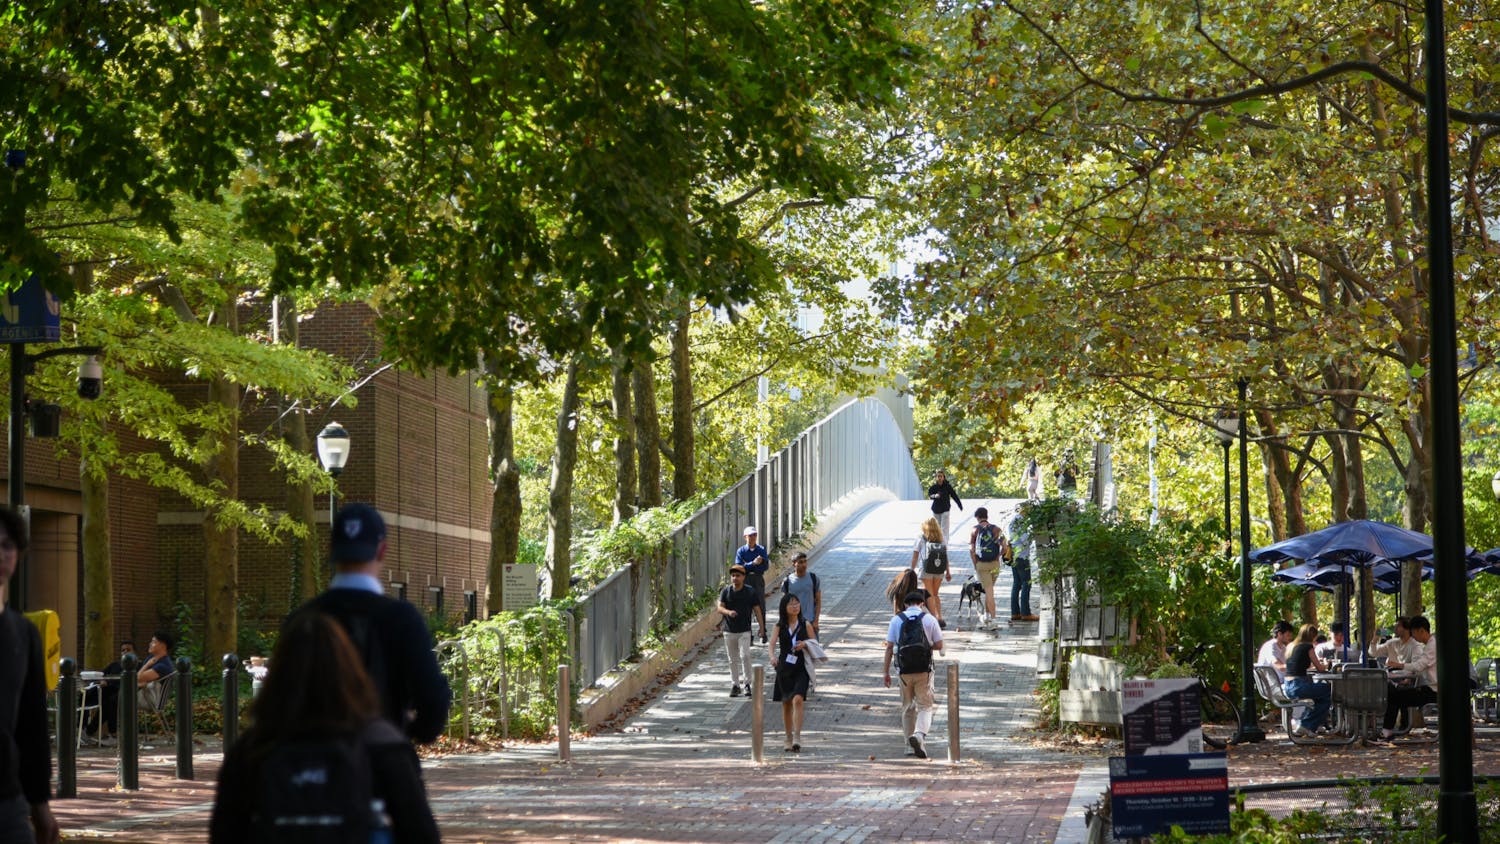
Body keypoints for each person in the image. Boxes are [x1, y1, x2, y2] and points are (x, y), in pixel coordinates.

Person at [210, 609, 440, 844]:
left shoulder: (251, 748)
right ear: (351, 671)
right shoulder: (383, 744)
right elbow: (420, 831)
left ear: (279, 674)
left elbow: (225, 831)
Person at [300, 503, 452, 744]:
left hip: (311, 765)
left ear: (331, 549)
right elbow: (432, 701)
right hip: (380, 763)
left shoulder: (304, 618)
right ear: (382, 551)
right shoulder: (402, 619)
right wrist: (404, 732)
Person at [0, 506, 60, 844]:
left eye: (7, 545)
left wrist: (40, 805)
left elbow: (32, 725)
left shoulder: (24, 634)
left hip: (7, 800)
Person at [882, 591, 944, 759]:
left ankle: (909, 747)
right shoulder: (929, 619)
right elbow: (939, 644)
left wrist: (885, 672)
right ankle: (918, 735)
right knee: (925, 706)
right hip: (924, 670)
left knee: (908, 707)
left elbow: (889, 647)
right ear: (922, 604)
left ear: (905, 605)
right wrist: (927, 646)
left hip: (903, 671)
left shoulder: (896, 620)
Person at [769, 594, 814, 752]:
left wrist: (805, 644)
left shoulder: (805, 624)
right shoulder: (779, 626)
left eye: (797, 603)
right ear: (784, 608)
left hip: (801, 667)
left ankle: (797, 736)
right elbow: (772, 644)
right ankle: (787, 737)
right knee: (786, 703)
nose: (795, 606)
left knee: (797, 700)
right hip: (784, 668)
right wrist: (772, 656)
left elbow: (815, 644)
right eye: (791, 604)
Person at [1381, 614, 1437, 740]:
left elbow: (1419, 666)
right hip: (1430, 686)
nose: (1413, 636)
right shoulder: (1431, 644)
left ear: (1421, 631)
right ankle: (1394, 729)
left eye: (1413, 633)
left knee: (1394, 696)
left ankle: (1387, 731)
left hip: (1434, 689)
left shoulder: (1432, 645)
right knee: (1399, 694)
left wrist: (1399, 665)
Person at [780, 552, 822, 694]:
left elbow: (818, 600)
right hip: (793, 622)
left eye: (805, 561)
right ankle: (797, 680)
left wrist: (816, 620)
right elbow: (784, 603)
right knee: (794, 652)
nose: (803, 564)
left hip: (808, 621)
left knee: (810, 651)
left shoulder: (813, 578)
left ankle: (810, 679)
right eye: (800, 562)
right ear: (794, 564)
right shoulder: (787, 581)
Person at [1283, 623, 1331, 736]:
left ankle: (1311, 724)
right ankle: (1307, 725)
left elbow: (1298, 665)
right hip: (1299, 685)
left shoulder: (1292, 646)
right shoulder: (1308, 647)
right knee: (1329, 691)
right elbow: (1320, 668)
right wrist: (1327, 664)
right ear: (1313, 636)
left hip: (1289, 685)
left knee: (1321, 695)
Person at [716, 565, 758, 697]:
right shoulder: (726, 591)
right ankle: (735, 685)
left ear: (743, 577)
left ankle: (747, 684)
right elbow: (719, 608)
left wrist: (762, 628)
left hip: (745, 630)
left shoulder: (750, 592)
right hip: (729, 631)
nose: (735, 578)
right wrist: (729, 612)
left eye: (738, 575)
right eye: (733, 575)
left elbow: (757, 609)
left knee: (745, 656)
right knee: (732, 659)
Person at [910, 517, 951, 628]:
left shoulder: (921, 537)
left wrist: (911, 570)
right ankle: (940, 617)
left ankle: (933, 619)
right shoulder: (941, 538)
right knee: (936, 594)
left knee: (930, 595)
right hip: (939, 569)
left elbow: (915, 556)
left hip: (926, 569)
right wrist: (948, 571)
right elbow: (945, 556)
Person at [967, 507, 1004, 628]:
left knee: (989, 592)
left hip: (981, 565)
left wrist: (976, 564)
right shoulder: (996, 529)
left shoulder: (974, 530)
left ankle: (993, 620)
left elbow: (971, 550)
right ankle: (987, 615)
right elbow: (1005, 547)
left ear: (977, 517)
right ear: (987, 516)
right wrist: (998, 556)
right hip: (994, 564)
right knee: (990, 590)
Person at [736, 526, 771, 643]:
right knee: (746, 607)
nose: (753, 537)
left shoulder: (761, 549)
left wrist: (749, 566)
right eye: (750, 535)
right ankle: (748, 634)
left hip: (757, 579)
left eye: (755, 535)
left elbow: (765, 566)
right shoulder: (741, 551)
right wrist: (754, 563)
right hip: (745, 580)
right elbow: (739, 568)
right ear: (745, 537)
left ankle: (763, 632)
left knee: (760, 605)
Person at [1006, 508, 1037, 622]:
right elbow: (1025, 540)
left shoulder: (1013, 521)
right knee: (1026, 584)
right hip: (1022, 556)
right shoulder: (1021, 522)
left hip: (1014, 554)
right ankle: (1025, 613)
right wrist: (1033, 536)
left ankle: (1015, 613)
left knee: (1016, 584)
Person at [136, 631, 177, 710]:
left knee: (114, 698)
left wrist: (147, 665)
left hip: (150, 699)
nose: (150, 644)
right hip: (142, 693)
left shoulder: (164, 665)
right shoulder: (151, 658)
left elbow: (138, 678)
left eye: (154, 642)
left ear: (163, 645)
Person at [926, 470, 963, 538]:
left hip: (945, 509)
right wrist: (935, 496)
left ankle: (945, 543)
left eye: (941, 476)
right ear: (936, 478)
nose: (939, 478)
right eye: (938, 476)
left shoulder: (948, 487)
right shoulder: (933, 487)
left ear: (944, 477)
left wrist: (959, 505)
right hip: (936, 510)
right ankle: (937, 542)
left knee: (944, 528)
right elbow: (930, 495)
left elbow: (954, 495)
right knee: (937, 528)